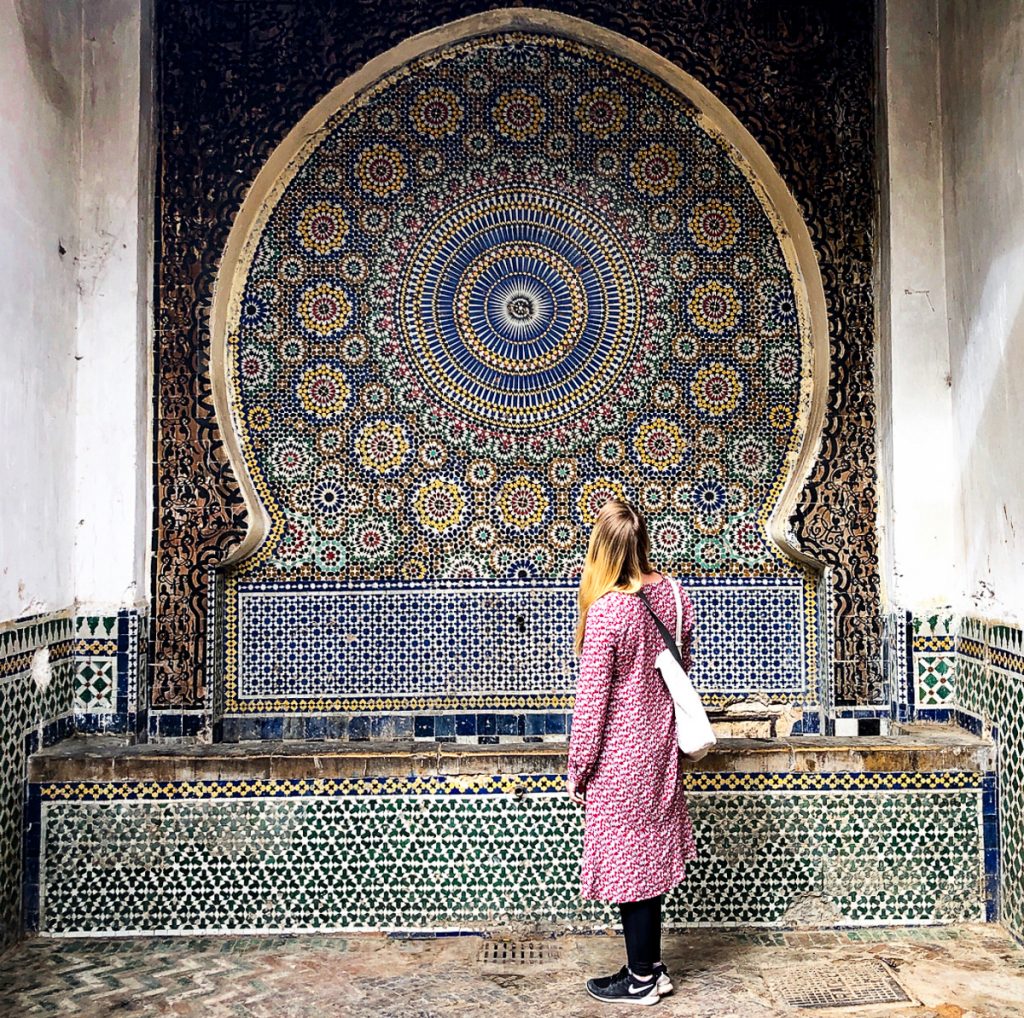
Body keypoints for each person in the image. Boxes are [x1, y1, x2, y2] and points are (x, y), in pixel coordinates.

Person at [566, 498, 697, 1006]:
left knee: (630, 864)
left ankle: (640, 980)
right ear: (643, 542)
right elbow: (685, 668)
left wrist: (579, 769)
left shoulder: (607, 612)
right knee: (646, 861)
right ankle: (650, 966)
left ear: (601, 550)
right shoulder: (675, 596)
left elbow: (592, 703)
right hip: (663, 748)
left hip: (621, 758)